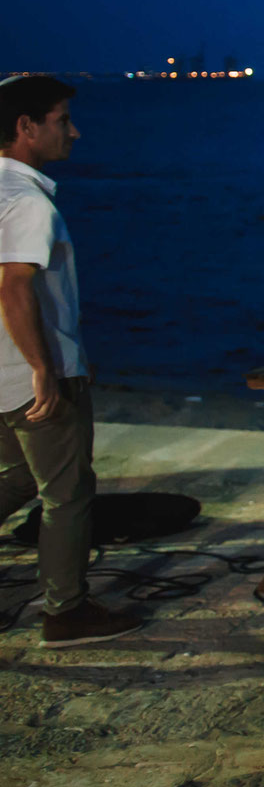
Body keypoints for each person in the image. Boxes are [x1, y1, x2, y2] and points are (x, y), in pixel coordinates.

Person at [0, 76, 145, 648]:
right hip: (32, 376)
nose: (74, 131)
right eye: (62, 120)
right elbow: (14, 287)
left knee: (17, 476)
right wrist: (45, 368)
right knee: (67, 493)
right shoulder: (27, 202)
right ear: (26, 127)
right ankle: (66, 611)